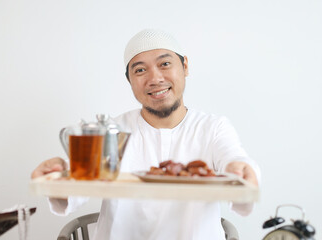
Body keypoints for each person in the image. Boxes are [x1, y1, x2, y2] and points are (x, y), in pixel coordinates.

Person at [31, 29, 260, 240]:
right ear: (130, 80)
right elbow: (73, 190)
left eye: (165, 64)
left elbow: (234, 159)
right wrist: (57, 177)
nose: (155, 79)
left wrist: (239, 170)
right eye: (140, 70)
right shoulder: (113, 130)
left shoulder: (212, 128)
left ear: (185, 66)